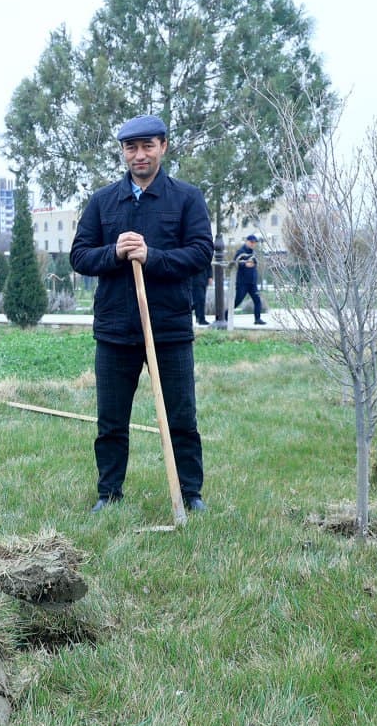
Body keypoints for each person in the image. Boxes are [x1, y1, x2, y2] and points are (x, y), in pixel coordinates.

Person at [70, 114, 213, 514]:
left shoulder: (186, 199)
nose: (139, 155)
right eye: (131, 148)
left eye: (147, 146)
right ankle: (108, 493)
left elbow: (201, 253)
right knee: (111, 421)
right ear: (123, 152)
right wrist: (114, 253)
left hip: (169, 330)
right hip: (115, 331)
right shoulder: (103, 202)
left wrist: (153, 257)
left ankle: (190, 493)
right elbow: (79, 256)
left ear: (163, 146)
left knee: (181, 417)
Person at [232, 233, 266, 325]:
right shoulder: (241, 251)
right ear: (247, 241)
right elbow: (235, 262)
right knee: (237, 301)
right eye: (251, 242)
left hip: (252, 283)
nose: (253, 244)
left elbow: (255, 263)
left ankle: (257, 319)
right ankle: (224, 316)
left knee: (257, 301)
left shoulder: (253, 253)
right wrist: (245, 264)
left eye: (254, 242)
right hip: (242, 283)